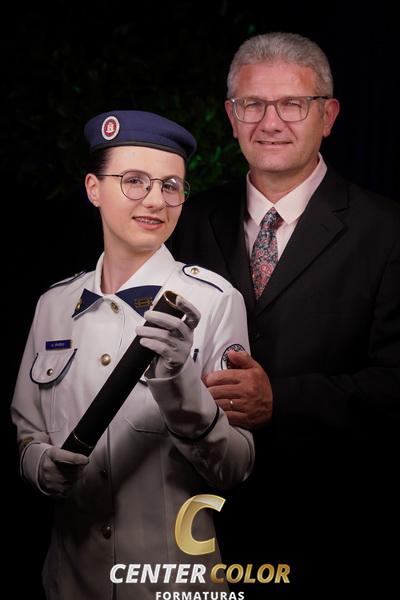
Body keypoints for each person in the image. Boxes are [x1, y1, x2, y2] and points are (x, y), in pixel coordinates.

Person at [170, 32, 400, 595]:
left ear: (329, 116)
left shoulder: (388, 231)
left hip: (332, 522)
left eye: (292, 104)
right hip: (196, 520)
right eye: (252, 104)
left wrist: (282, 401)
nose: (270, 122)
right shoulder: (186, 221)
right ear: (232, 116)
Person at [11, 110, 254, 599]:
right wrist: (41, 467)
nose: (156, 200)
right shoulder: (53, 306)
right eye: (135, 181)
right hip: (70, 583)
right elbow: (27, 435)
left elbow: (235, 466)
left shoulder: (213, 301)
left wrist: (179, 384)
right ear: (93, 188)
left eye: (171, 185)